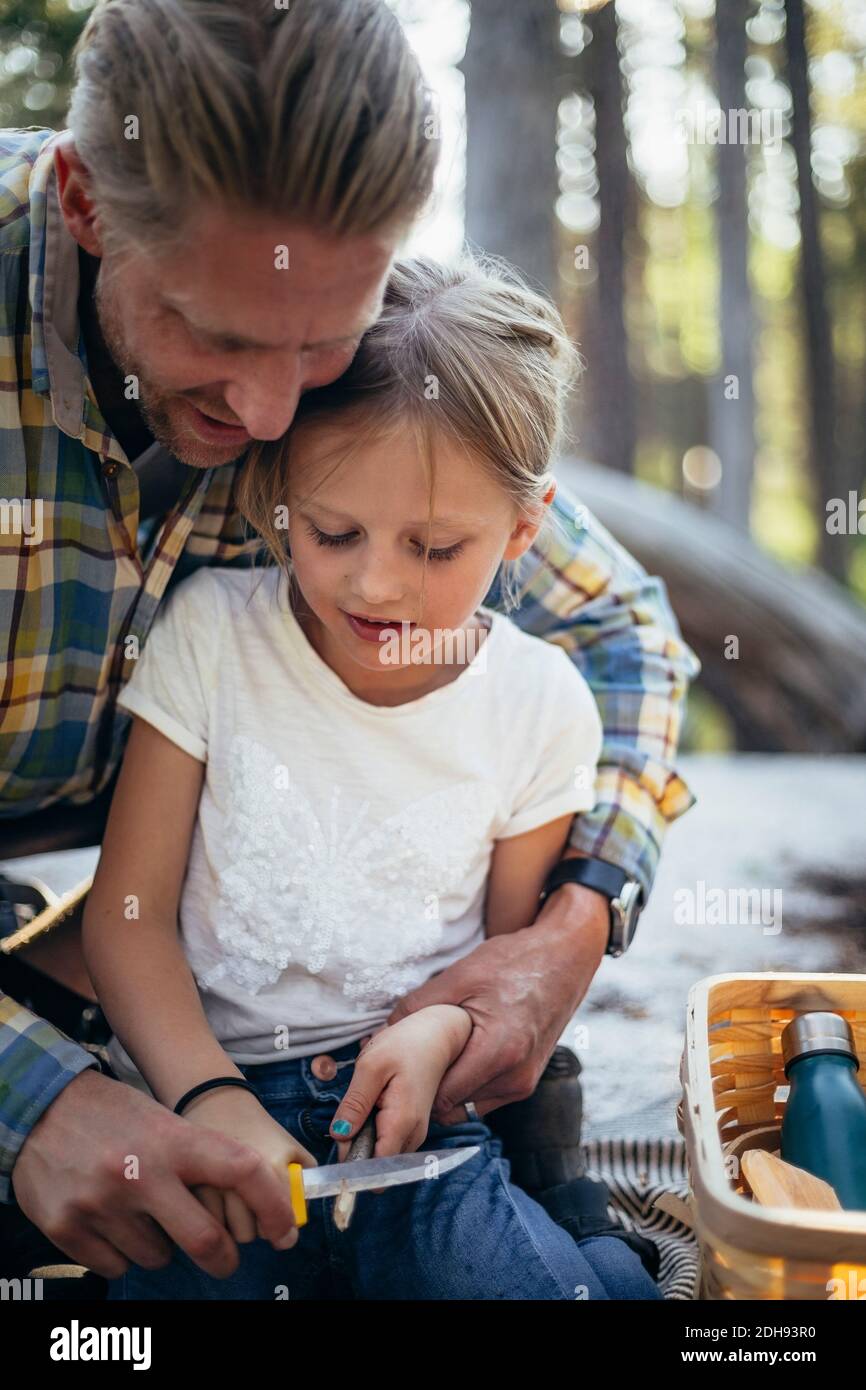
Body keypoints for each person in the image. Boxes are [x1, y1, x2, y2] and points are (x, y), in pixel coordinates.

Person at [0, 0, 699, 1281]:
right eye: (214, 340)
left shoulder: (332, 307)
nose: (270, 413)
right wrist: (27, 1096)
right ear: (87, 206)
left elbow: (614, 628)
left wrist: (574, 924)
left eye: (324, 346)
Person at [82, 252, 662, 1300]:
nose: (374, 582)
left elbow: (504, 959)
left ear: (524, 529)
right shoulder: (213, 635)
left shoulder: (539, 704)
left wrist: (441, 1031)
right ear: (280, 488)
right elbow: (127, 916)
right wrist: (210, 1097)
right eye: (332, 530)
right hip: (205, 1109)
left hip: (422, 1127)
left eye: (435, 547)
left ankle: (588, 1251)